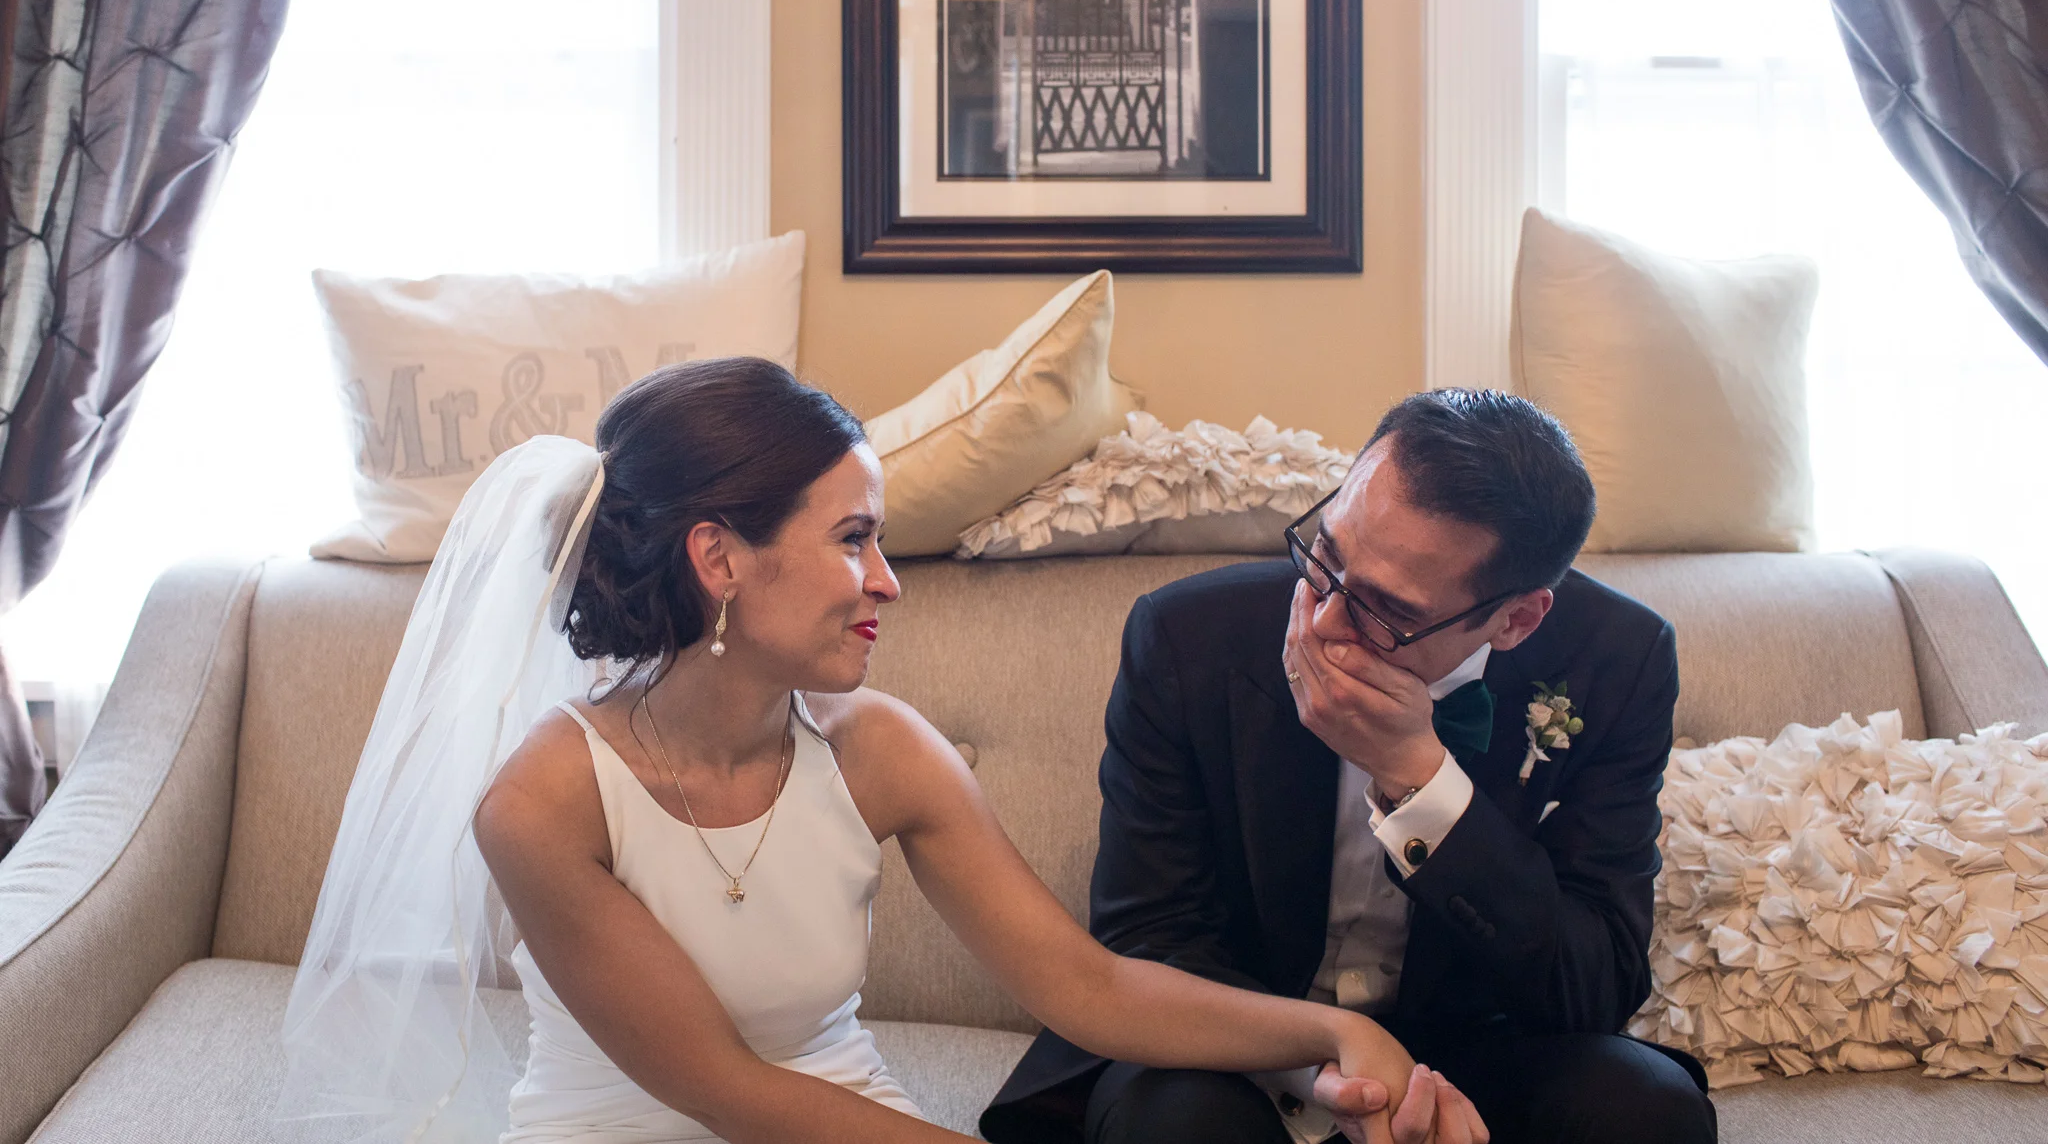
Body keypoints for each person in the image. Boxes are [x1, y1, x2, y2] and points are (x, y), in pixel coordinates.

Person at [280, 358, 1485, 1144]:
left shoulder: (882, 753)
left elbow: (1086, 986)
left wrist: (1327, 1032)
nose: (887, 584)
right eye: (853, 539)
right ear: (720, 559)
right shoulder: (540, 802)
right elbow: (725, 1089)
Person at [982, 389, 1717, 1144]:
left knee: (1646, 1107)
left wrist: (1424, 784)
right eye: (1325, 554)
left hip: (1470, 1047)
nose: (1323, 622)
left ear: (1516, 618)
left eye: (1383, 610)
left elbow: (1596, 983)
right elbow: (1149, 936)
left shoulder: (1619, 660)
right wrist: (1319, 1057)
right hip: (1230, 1045)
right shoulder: (1186, 638)